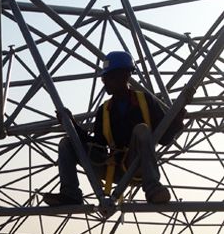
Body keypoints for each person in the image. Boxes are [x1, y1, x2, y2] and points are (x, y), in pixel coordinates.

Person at [43, 51, 185, 206]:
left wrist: (176, 122)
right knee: (67, 143)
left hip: (136, 165)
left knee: (142, 129)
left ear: (124, 75)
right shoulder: (105, 110)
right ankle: (70, 194)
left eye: (108, 78)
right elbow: (97, 145)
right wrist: (72, 125)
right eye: (104, 79)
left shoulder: (145, 101)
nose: (105, 83)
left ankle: (153, 189)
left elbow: (163, 138)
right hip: (112, 168)